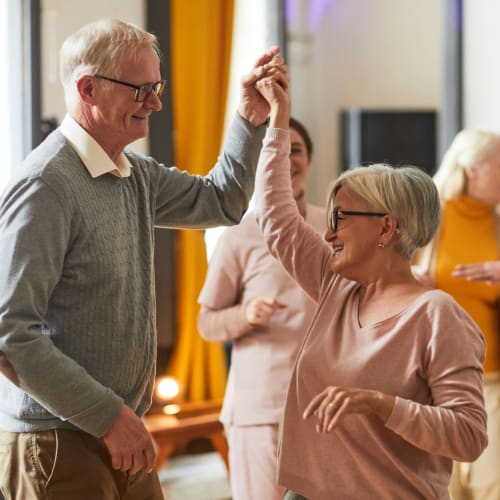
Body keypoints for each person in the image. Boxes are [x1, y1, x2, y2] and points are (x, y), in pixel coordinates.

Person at [0, 18, 288, 500]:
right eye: (141, 90)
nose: (155, 103)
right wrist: (109, 417)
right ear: (88, 89)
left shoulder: (134, 173)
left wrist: (248, 119)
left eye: (158, 87)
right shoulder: (45, 185)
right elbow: (10, 335)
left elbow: (222, 202)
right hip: (57, 441)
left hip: (117, 429)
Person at [247, 75, 488, 498]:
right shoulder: (334, 284)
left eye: (340, 218)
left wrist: (381, 404)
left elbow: (469, 435)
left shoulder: (436, 314)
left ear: (387, 227)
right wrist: (278, 120)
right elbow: (276, 217)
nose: (327, 233)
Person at [197, 117, 326, 500]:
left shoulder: (333, 228)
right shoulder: (239, 233)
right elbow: (207, 322)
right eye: (277, 150)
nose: (288, 159)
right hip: (262, 409)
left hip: (325, 406)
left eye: (296, 150)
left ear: (310, 161)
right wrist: (246, 314)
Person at [413, 128, 500, 500]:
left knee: (491, 486)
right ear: (471, 169)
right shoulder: (428, 219)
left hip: (492, 379)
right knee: (441, 489)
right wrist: (409, 281)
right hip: (433, 381)